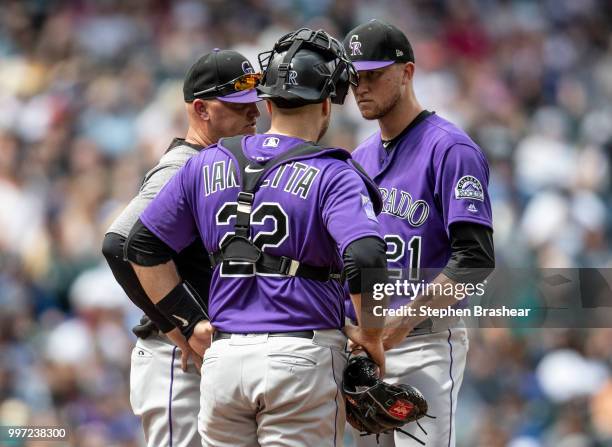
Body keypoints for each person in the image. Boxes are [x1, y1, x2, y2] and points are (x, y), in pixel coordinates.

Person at [125, 28, 388, 447]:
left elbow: (140, 246)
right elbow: (368, 254)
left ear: (265, 103)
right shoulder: (334, 171)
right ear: (325, 105)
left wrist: (190, 322)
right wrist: (372, 336)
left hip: (224, 363)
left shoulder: (207, 162)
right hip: (300, 358)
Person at [343, 20, 495, 447]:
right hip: (366, 345)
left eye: (374, 74)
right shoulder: (358, 158)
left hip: (424, 339)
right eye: (356, 77)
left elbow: (475, 259)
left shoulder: (451, 148)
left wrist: (399, 324)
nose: (362, 87)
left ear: (407, 72)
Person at [101, 48, 261, 447]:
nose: (253, 114)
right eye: (238, 106)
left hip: (209, 357)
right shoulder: (183, 165)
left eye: (254, 104)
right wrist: (182, 325)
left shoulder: (219, 165)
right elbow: (119, 242)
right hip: (176, 360)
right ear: (202, 110)